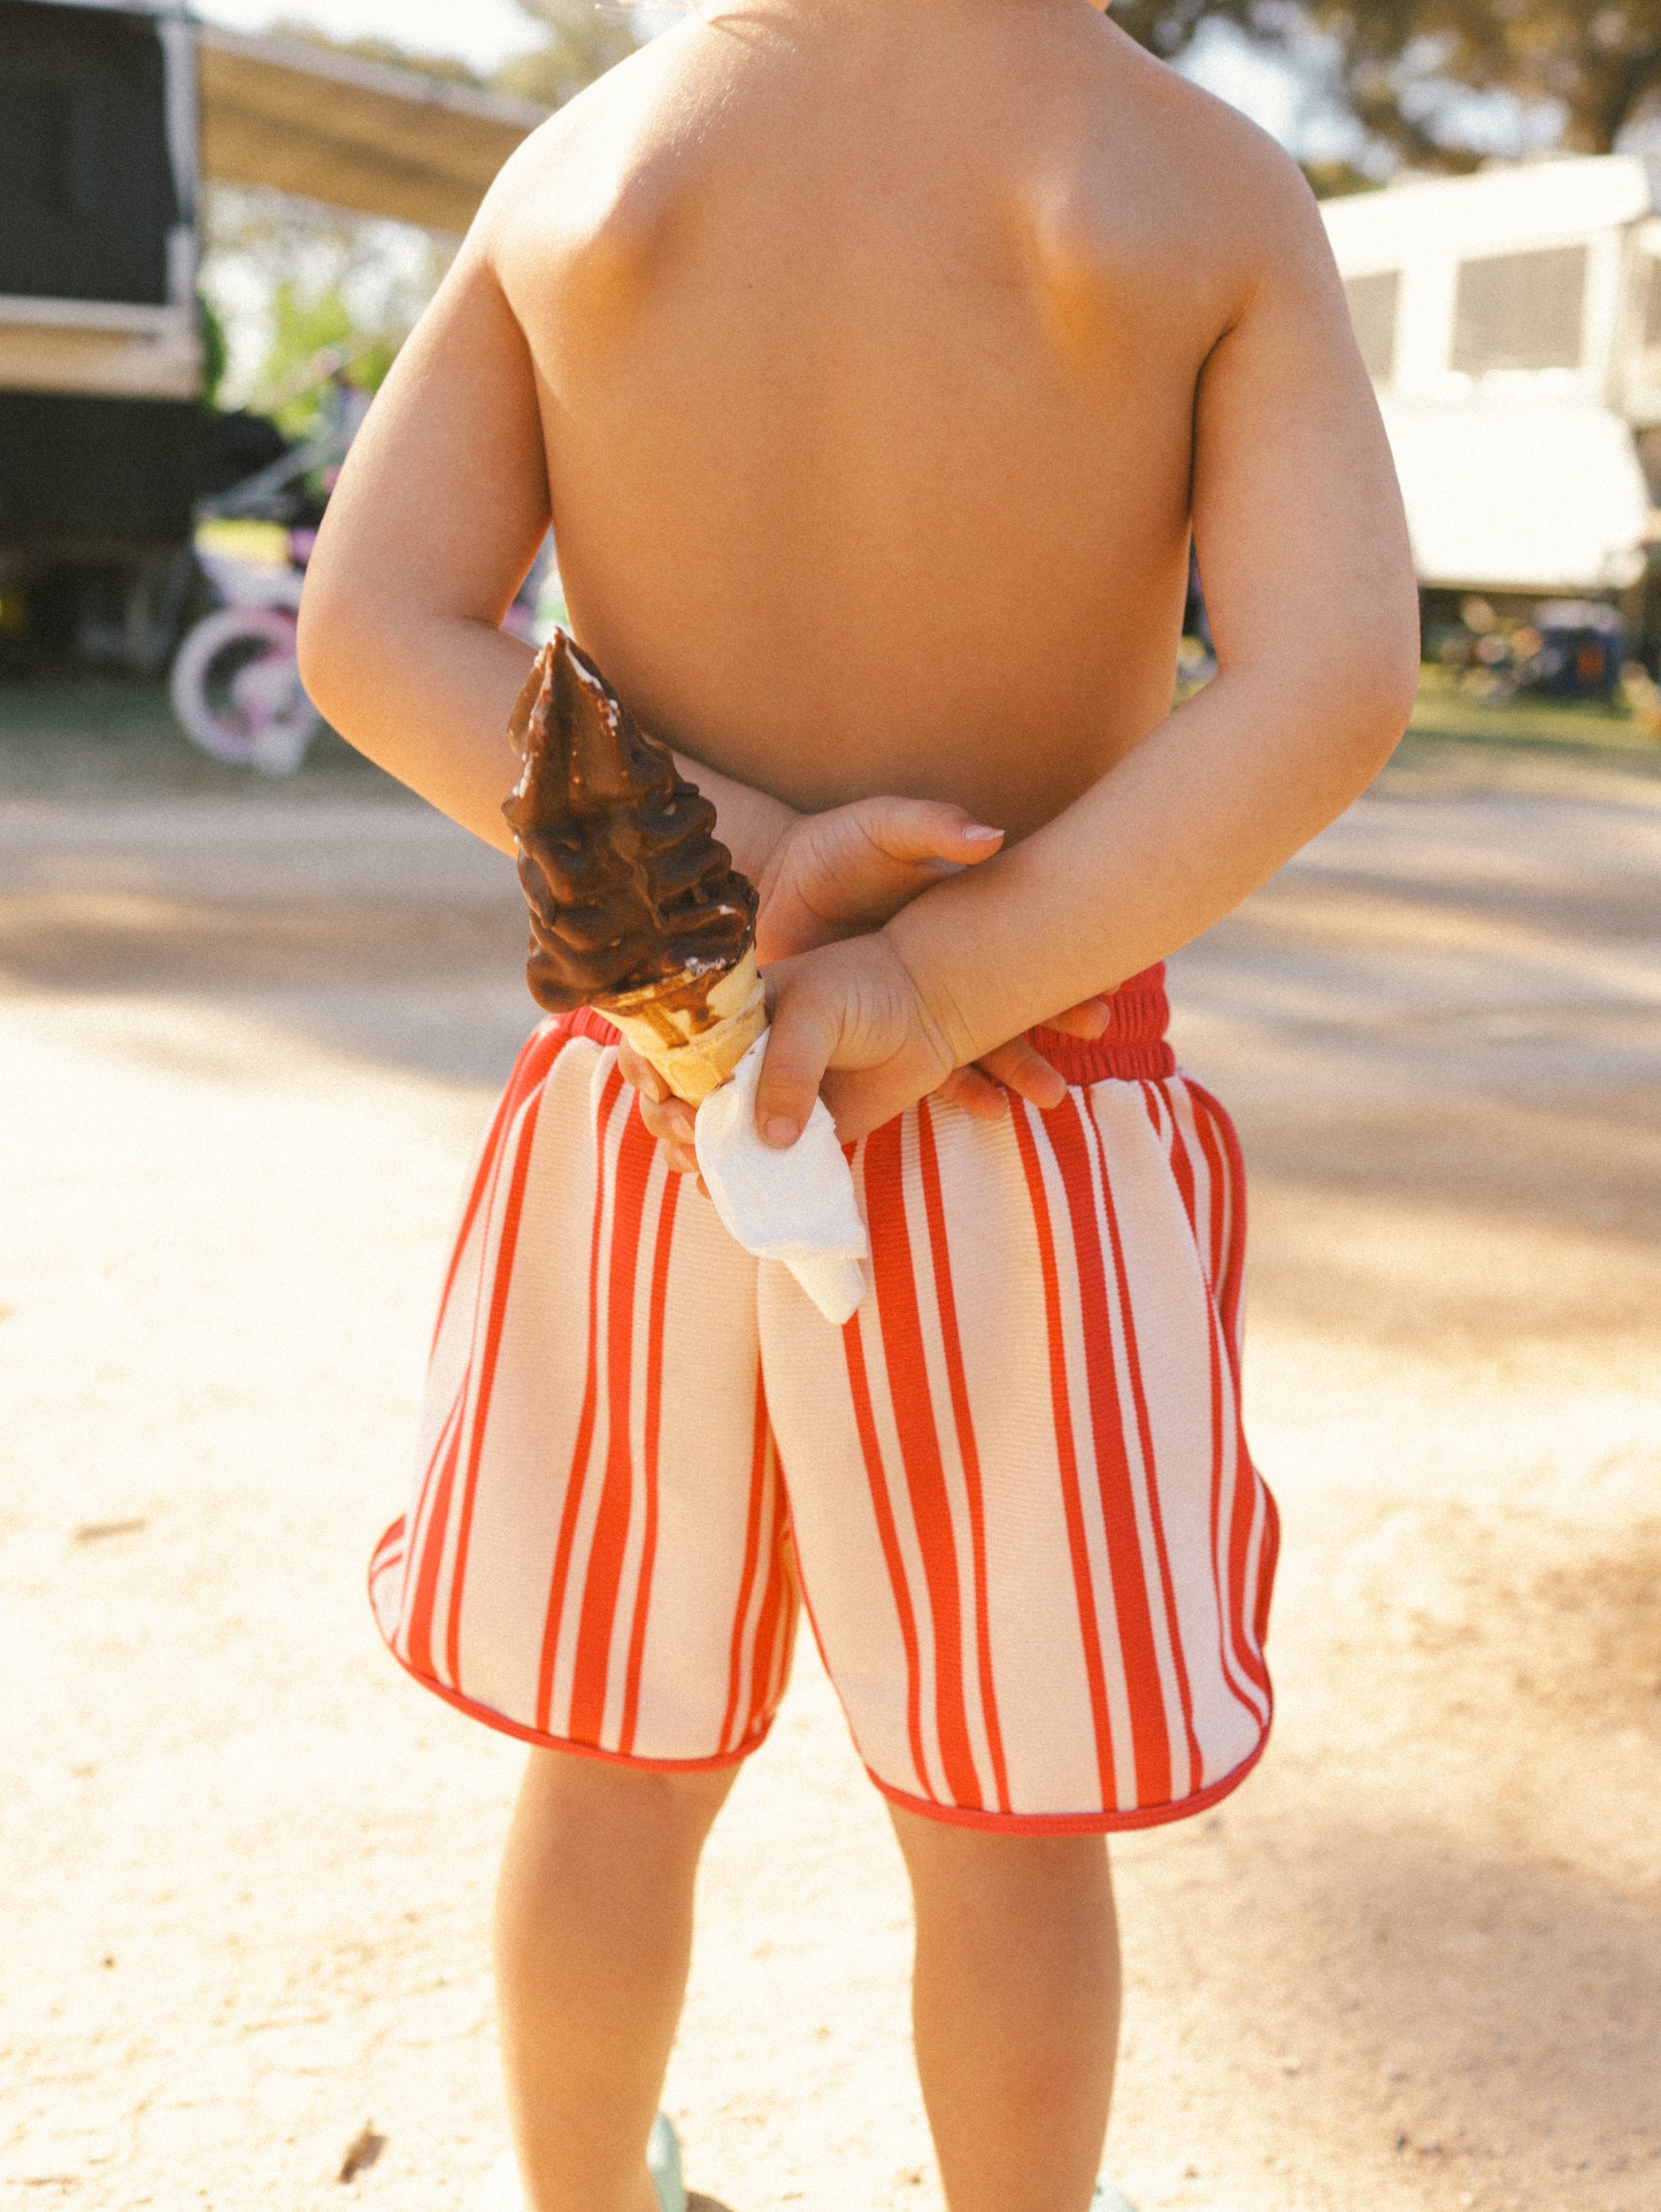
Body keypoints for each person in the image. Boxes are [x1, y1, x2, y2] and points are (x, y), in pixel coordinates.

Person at [296, 0, 1419, 2205]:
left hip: (660, 1103)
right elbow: (1329, 674)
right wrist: (936, 969)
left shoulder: (589, 173)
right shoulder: (1184, 186)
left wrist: (705, 860)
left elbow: (372, 623)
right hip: (1016, 1109)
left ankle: (592, 2194)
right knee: (1007, 1825)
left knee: (608, 1769)